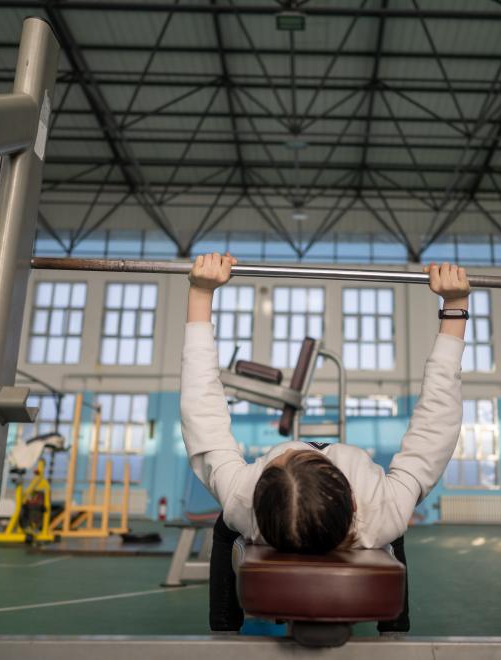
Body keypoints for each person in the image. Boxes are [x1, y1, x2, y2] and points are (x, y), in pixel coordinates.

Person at [180, 252, 469, 633]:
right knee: (393, 535)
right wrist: (455, 305)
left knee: (224, 525)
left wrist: (201, 294)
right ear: (353, 501)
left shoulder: (241, 499)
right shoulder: (383, 511)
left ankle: (224, 630)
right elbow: (436, 420)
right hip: (380, 521)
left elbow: (202, 408)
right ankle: (394, 634)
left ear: (258, 506)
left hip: (263, 513)